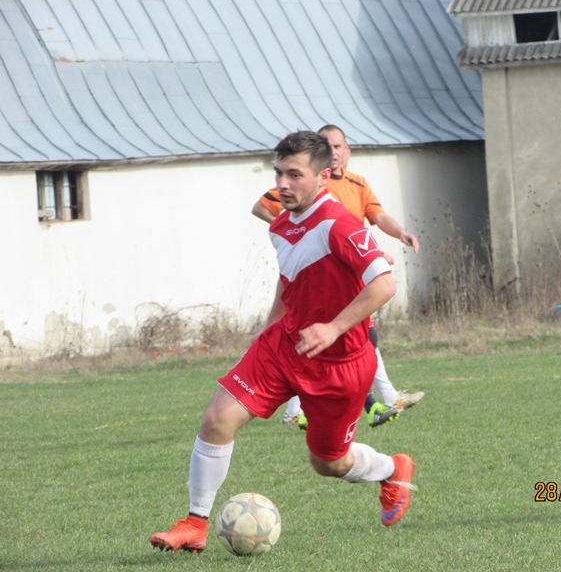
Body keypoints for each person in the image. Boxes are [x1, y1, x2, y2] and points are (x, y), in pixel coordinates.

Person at [150, 131, 416, 554]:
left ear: (323, 177)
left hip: (339, 363)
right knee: (218, 417)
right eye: (279, 173)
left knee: (329, 463)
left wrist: (332, 327)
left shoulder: (339, 224)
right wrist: (273, 322)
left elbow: (384, 284)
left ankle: (391, 469)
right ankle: (194, 523)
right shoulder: (281, 222)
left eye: (295, 174)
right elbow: (291, 273)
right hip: (285, 345)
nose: (283, 184)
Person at [253, 124, 424, 428]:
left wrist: (396, 236)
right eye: (327, 146)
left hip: (354, 275)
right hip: (325, 284)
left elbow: (376, 218)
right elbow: (262, 207)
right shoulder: (302, 185)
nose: (333, 153)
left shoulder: (357, 185)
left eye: (337, 146)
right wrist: (296, 231)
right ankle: (368, 403)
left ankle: (376, 402)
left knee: (353, 341)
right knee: (321, 341)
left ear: (348, 150)